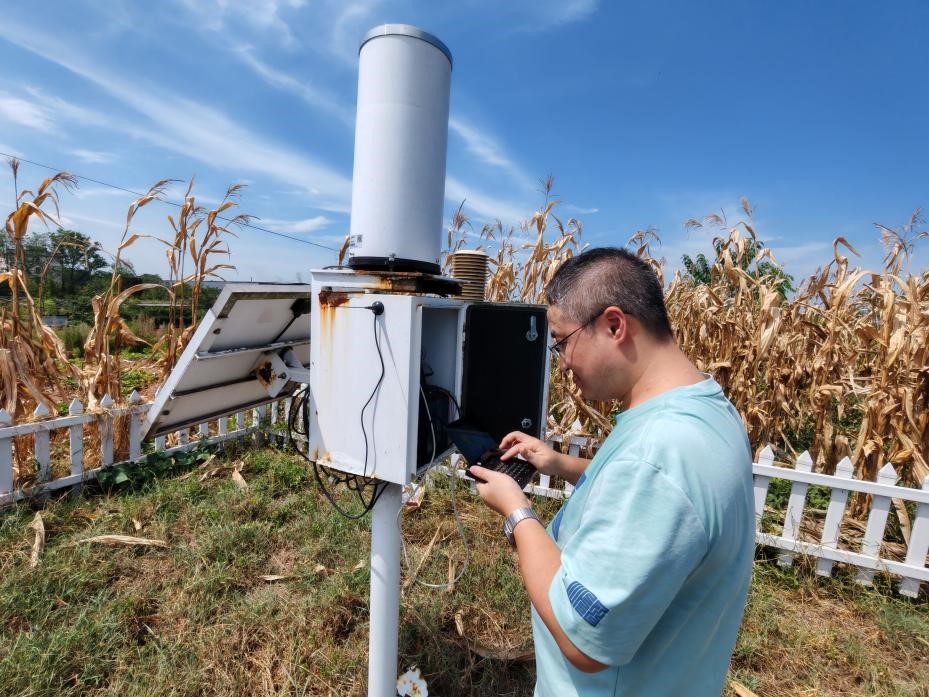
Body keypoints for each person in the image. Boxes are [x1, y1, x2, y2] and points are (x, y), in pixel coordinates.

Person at [470, 247, 755, 696]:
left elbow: (582, 638)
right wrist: (556, 463)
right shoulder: (702, 409)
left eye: (563, 342)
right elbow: (642, 491)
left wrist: (517, 512)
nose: (562, 363)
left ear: (614, 325)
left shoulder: (659, 454)